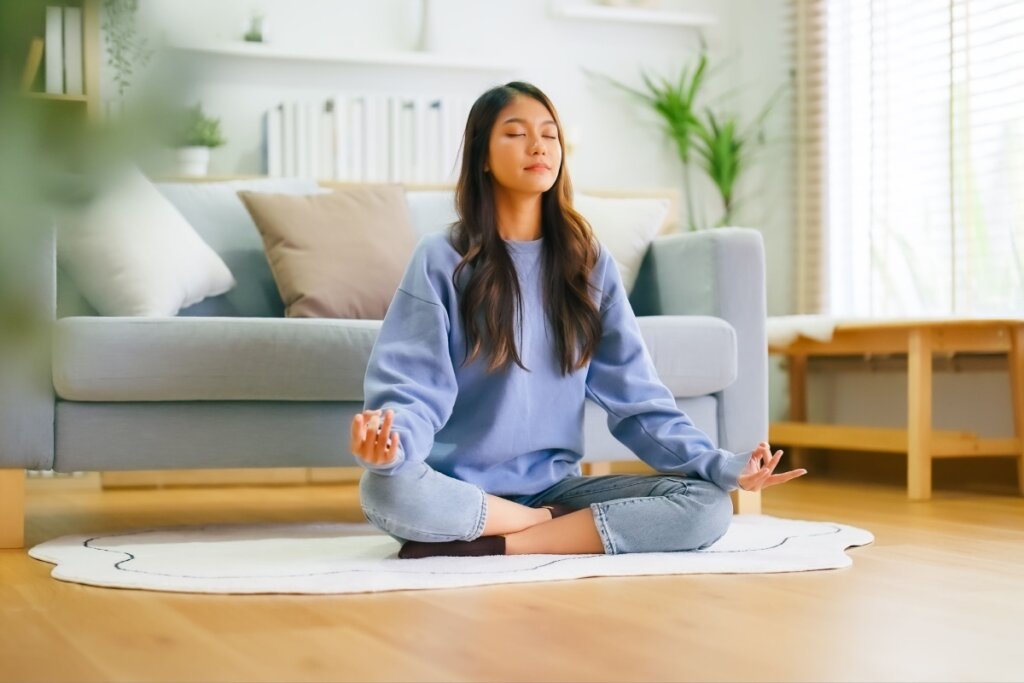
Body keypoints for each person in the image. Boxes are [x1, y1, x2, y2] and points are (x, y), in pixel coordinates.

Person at [351, 81, 806, 560]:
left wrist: (719, 464)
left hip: (557, 490)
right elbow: (413, 384)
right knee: (386, 490)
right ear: (482, 155)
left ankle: (495, 546)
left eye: (549, 135)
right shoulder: (443, 259)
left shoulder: (588, 264)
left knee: (708, 507)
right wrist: (392, 446)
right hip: (462, 492)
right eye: (515, 133)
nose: (538, 146)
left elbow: (640, 401)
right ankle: (539, 529)